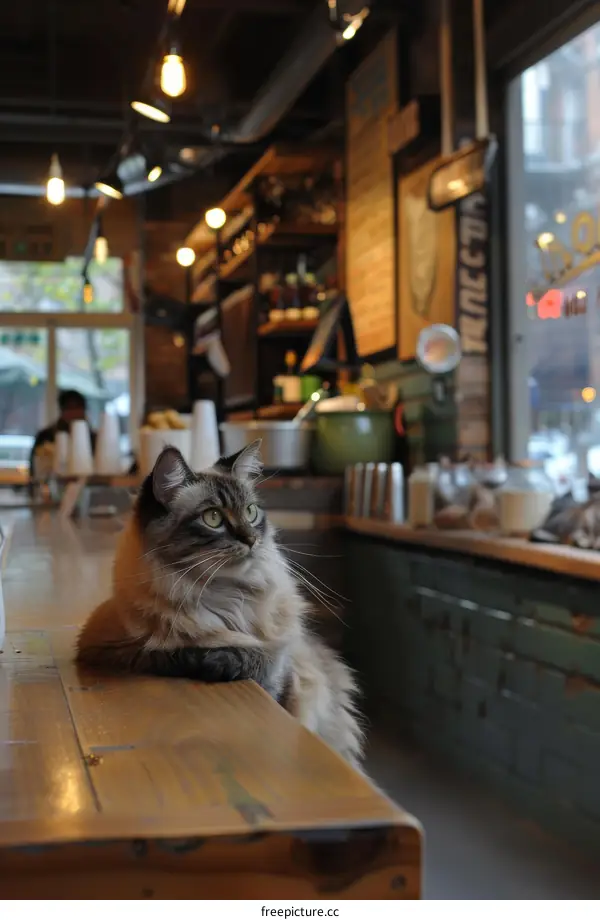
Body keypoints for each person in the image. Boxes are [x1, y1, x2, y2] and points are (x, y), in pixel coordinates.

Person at [29, 389, 96, 481]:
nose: (74, 413)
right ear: (62, 410)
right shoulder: (46, 437)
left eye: (78, 408)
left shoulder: (94, 439)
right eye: (70, 408)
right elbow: (35, 471)